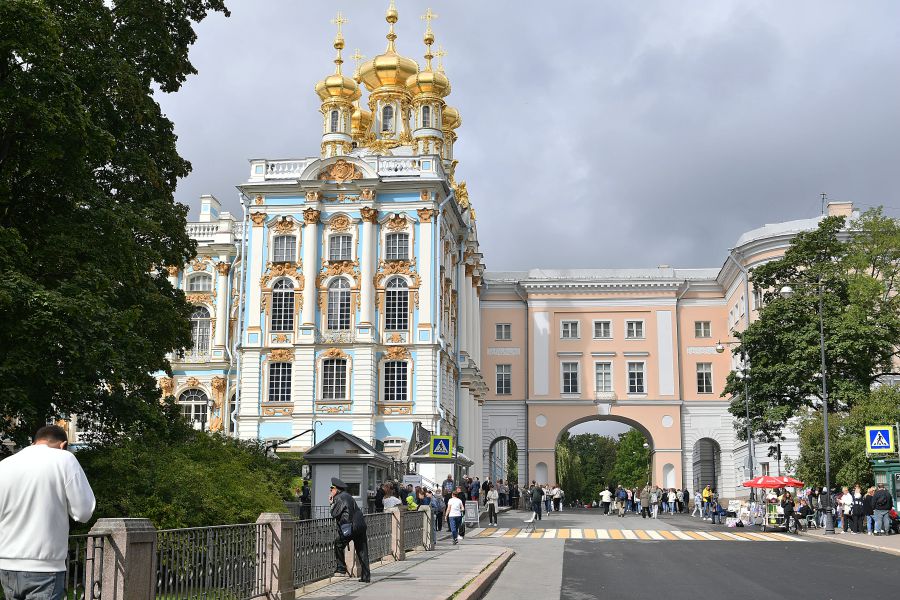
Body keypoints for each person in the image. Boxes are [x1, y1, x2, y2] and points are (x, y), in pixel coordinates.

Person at [0, 425, 96, 600]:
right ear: (63, 445)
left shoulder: (5, 465)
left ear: (34, 442)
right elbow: (83, 512)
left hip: (7, 565)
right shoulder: (65, 459)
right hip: (45, 565)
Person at [330, 477, 370, 582]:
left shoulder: (339, 497)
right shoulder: (348, 496)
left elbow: (334, 513)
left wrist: (331, 503)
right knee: (362, 551)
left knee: (338, 543)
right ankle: (366, 576)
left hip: (350, 527)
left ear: (336, 489)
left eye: (331, 488)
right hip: (360, 526)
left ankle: (341, 568)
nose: (330, 491)